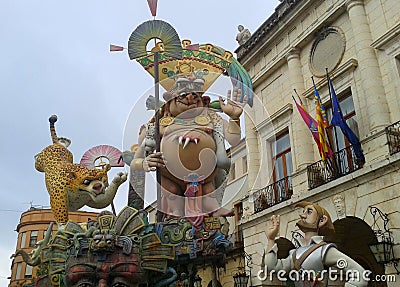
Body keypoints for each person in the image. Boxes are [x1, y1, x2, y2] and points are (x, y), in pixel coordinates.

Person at [131, 73, 246, 224]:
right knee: (172, 198)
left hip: (205, 178)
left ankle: (213, 209)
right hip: (170, 178)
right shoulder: (157, 125)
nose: (190, 98)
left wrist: (234, 118)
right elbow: (136, 162)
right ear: (169, 101)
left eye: (195, 95)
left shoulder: (211, 118)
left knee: (208, 193)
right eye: (184, 93)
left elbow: (234, 138)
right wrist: (145, 161)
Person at [262, 201, 368, 287]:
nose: (302, 215)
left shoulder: (324, 251)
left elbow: (360, 274)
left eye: (309, 212)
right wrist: (271, 239)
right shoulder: (295, 254)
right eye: (303, 211)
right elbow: (273, 266)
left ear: (322, 220)